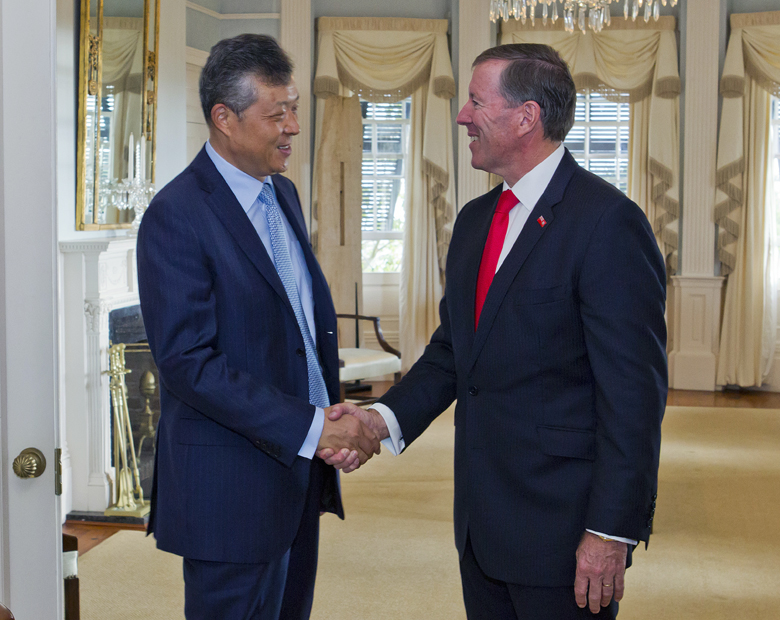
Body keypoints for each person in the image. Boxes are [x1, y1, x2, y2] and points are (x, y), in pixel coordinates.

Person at [321, 44, 667, 619]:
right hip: (481, 527)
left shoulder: (608, 223)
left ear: (527, 117)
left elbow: (633, 398)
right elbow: (453, 353)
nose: (462, 117)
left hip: (563, 532)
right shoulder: (474, 221)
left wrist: (610, 531)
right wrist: (378, 420)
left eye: (476, 102)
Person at [137, 33, 380, 620]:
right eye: (278, 114)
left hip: (296, 475)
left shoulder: (283, 193)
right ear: (224, 118)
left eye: (294, 108)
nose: (293, 126)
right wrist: (312, 428)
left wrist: (325, 421)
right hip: (229, 491)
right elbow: (189, 364)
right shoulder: (176, 215)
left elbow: (294, 326)